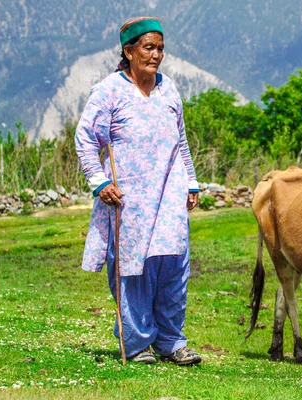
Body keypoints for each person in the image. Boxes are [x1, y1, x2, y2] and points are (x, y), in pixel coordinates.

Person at [75, 16, 201, 365]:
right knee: (132, 268)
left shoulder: (169, 89)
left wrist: (190, 181)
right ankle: (136, 342)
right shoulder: (109, 91)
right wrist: (100, 182)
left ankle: (171, 341)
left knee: (172, 266)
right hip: (129, 199)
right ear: (129, 51)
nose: (156, 55)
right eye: (149, 47)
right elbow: (86, 139)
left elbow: (181, 142)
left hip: (169, 193)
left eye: (160, 48)